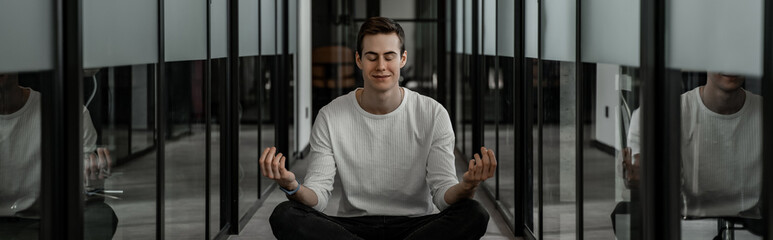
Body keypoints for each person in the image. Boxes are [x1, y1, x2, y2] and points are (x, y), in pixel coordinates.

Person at [263, 17, 496, 240]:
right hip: (354, 226)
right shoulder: (330, 115)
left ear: (402, 59)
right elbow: (318, 197)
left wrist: (466, 186)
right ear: (359, 60)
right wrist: (292, 186)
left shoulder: (433, 114)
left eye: (389, 56)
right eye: (372, 57)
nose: (381, 66)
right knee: (285, 215)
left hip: (415, 225)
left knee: (473, 213)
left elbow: (443, 195)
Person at [622, 72, 764, 236]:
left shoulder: (765, 113)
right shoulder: (655, 115)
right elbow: (640, 176)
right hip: (686, 229)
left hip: (753, 231)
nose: (730, 65)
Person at [0, 72, 118, 239]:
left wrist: (92, 184)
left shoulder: (69, 113)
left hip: (45, 222)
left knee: (99, 215)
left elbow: (89, 196)